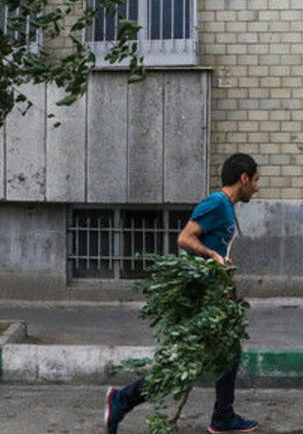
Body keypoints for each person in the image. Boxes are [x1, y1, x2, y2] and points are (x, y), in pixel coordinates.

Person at [104, 153, 261, 434]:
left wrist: (222, 266)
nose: (257, 189)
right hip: (203, 299)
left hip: (214, 295)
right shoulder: (217, 203)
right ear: (244, 178)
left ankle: (223, 416)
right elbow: (185, 238)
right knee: (184, 364)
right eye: (256, 181)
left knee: (229, 351)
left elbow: (211, 247)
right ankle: (122, 399)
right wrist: (212, 255)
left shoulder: (225, 207)